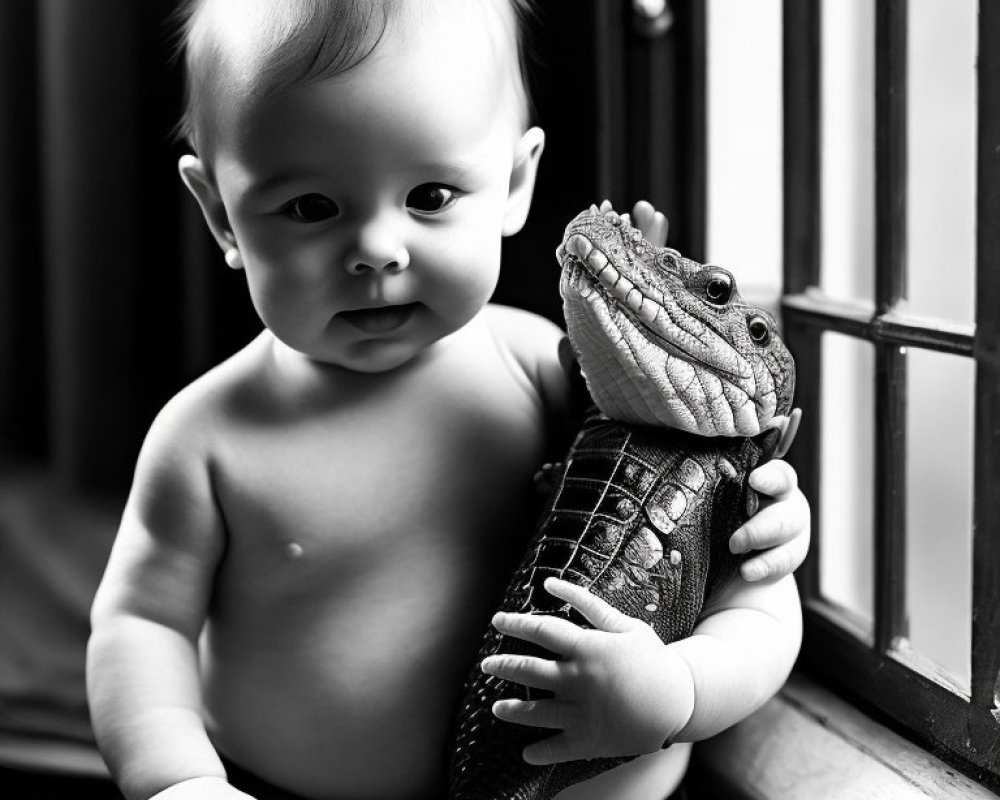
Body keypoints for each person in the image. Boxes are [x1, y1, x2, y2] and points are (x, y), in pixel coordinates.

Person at [85, 1, 810, 799]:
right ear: (221, 213)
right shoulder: (208, 435)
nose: (376, 250)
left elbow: (745, 592)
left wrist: (703, 653)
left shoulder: (551, 371)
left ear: (512, 183)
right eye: (310, 208)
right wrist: (178, 782)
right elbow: (140, 627)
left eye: (429, 195)